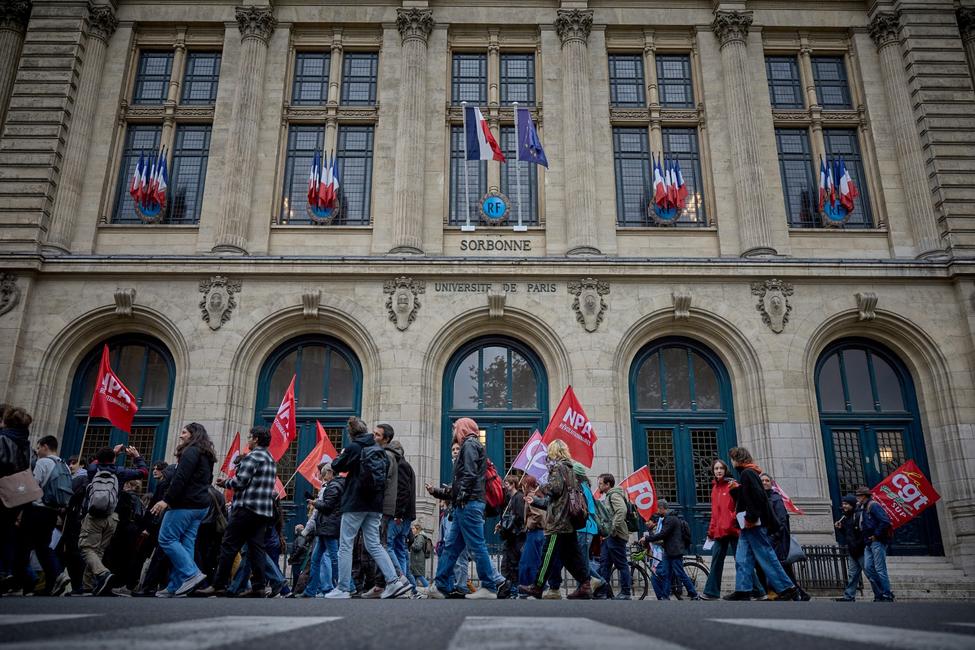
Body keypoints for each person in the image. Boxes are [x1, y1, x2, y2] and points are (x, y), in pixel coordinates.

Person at [324, 417, 411, 599]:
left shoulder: (354, 447)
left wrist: (341, 454)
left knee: (345, 545)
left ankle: (343, 588)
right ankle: (394, 582)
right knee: (375, 544)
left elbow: (336, 466)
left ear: (351, 433)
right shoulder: (378, 449)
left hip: (356, 502)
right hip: (375, 504)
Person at [428, 417, 510, 599]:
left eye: (455, 428)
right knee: (451, 546)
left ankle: (489, 585)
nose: (453, 432)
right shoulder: (471, 445)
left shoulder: (470, 445)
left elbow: (469, 473)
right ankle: (440, 585)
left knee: (476, 545)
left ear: (463, 429)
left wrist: (462, 495)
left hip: (469, 503)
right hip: (465, 503)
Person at [197, 426, 277, 597]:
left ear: (255, 439)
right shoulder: (270, 458)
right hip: (263, 511)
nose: (248, 440)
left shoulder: (252, 456)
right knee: (257, 549)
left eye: (250, 437)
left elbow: (240, 482)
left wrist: (225, 483)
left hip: (246, 508)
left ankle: (218, 584)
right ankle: (259, 587)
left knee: (228, 545)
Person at [518, 440, 592, 600]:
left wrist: (543, 486)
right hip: (568, 520)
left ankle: (537, 586)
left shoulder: (558, 468)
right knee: (571, 556)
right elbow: (559, 499)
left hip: (558, 522)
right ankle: (586, 584)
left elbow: (555, 490)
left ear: (554, 452)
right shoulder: (571, 469)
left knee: (547, 554)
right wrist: (536, 501)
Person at [149, 423, 216, 597]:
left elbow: (180, 479)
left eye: (184, 432)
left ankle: (191, 573)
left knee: (166, 538)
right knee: (187, 544)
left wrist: (166, 500)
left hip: (184, 504)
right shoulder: (206, 454)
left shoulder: (190, 452)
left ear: (193, 434)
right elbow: (208, 480)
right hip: (201, 506)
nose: (181, 436)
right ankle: (176, 586)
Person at [723, 446, 796, 601]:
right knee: (742, 558)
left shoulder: (748, 474)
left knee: (765, 555)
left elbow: (757, 497)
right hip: (746, 525)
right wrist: (737, 490)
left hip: (752, 523)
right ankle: (743, 590)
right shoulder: (748, 474)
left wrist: (750, 518)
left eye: (732, 459)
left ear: (738, 459)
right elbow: (747, 497)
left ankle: (787, 588)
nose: (731, 462)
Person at [81, 444, 148, 595]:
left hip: (94, 514)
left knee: (87, 547)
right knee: (101, 550)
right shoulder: (120, 472)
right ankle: (89, 585)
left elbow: (95, 463)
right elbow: (143, 472)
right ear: (113, 459)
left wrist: (114, 452)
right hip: (112, 516)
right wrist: (136, 456)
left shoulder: (93, 469)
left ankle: (101, 576)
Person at [14, 435, 69, 595]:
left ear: (45, 446)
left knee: (22, 546)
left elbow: (32, 487)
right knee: (43, 546)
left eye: (38, 447)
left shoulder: (42, 462)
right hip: (52, 512)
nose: (37, 451)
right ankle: (56, 577)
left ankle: (25, 581)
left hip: (37, 509)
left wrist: (19, 510)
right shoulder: (63, 464)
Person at [761, 472, 810, 600]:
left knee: (780, 568)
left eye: (767, 481)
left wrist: (774, 537)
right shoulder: (763, 498)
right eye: (762, 481)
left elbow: (782, 521)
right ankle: (800, 594)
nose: (765, 483)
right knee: (785, 570)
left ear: (771, 484)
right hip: (770, 539)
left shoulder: (776, 499)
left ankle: (781, 593)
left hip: (777, 541)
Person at [0, 405, 31, 593]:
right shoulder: (24, 443)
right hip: (16, 495)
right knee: (6, 534)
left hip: (2, 491)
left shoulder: (4, 439)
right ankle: (6, 572)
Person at [642, 500, 700, 600]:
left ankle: (693, 594)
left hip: (674, 552)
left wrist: (647, 538)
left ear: (662, 508)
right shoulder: (668, 518)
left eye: (658, 509)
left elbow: (662, 534)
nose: (657, 511)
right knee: (666, 574)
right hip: (668, 551)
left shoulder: (670, 519)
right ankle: (665, 596)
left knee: (680, 573)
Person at [304, 463, 344, 597]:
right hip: (324, 527)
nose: (322, 477)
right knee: (316, 559)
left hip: (329, 527)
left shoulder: (333, 486)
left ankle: (345, 586)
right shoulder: (332, 485)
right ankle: (310, 590)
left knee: (334, 558)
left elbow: (327, 506)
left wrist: (315, 503)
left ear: (329, 473)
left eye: (323, 474)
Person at [702, 459, 738, 600]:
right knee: (716, 560)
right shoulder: (715, 488)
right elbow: (715, 513)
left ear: (725, 469)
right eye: (716, 468)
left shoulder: (733, 485)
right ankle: (711, 592)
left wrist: (733, 519)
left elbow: (740, 505)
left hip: (734, 529)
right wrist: (710, 532)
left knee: (741, 561)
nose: (718, 471)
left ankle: (757, 590)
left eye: (721, 468)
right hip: (719, 531)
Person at [387, 438, 417, 590]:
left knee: (388, 546)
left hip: (399, 516)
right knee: (400, 548)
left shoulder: (400, 466)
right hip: (405, 516)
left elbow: (403, 491)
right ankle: (405, 583)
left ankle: (400, 578)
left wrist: (398, 513)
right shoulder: (407, 466)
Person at [856, 485, 895, 602]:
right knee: (868, 568)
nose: (857, 498)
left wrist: (876, 535)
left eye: (858, 496)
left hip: (877, 541)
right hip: (868, 542)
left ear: (863, 496)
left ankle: (886, 594)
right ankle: (881, 592)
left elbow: (885, 521)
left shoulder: (873, 506)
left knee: (880, 568)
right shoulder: (863, 507)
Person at [595, 473, 631, 600]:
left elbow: (622, 511)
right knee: (604, 564)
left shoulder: (614, 495)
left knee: (622, 564)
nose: (598, 485)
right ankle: (604, 592)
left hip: (616, 536)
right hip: (609, 537)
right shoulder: (608, 496)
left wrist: (612, 528)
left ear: (607, 484)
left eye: (600, 483)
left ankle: (626, 592)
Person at [516, 474, 546, 594]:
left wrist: (528, 525)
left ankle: (529, 586)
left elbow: (537, 515)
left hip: (535, 532)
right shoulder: (539, 495)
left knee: (528, 561)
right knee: (534, 560)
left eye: (523, 485)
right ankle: (533, 586)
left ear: (526, 485)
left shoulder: (531, 496)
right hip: (539, 533)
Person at [496, 475, 525, 594]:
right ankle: (508, 587)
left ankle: (514, 587)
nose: (504, 485)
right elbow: (508, 517)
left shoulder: (518, 497)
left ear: (513, 484)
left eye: (507, 483)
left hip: (515, 536)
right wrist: (502, 524)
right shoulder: (509, 498)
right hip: (509, 535)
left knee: (513, 562)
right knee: (507, 562)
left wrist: (508, 527)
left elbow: (518, 517)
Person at [834, 494, 866, 602]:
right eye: (843, 504)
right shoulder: (846, 517)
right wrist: (841, 528)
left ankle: (880, 593)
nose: (844, 506)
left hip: (861, 550)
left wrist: (858, 546)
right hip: (853, 550)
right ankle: (849, 596)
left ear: (852, 504)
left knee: (870, 573)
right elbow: (849, 534)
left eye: (846, 504)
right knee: (852, 574)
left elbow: (862, 533)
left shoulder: (858, 515)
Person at [409, 521, 433, 589]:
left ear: (417, 530)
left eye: (413, 529)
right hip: (416, 559)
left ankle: (428, 588)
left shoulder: (420, 537)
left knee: (419, 576)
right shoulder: (417, 537)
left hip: (418, 560)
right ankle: (414, 591)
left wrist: (411, 545)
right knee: (414, 576)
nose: (412, 530)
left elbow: (418, 547)